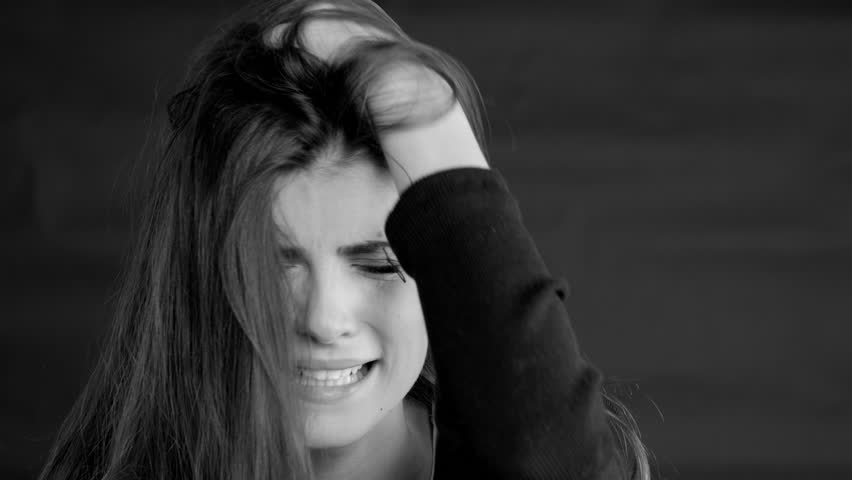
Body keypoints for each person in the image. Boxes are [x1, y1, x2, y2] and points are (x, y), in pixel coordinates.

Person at [38, 0, 651, 478]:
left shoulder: (562, 447)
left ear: (451, 275)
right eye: (271, 264)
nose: (324, 319)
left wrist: (425, 116)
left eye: (381, 265)